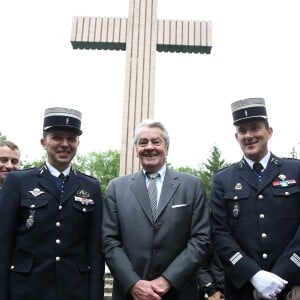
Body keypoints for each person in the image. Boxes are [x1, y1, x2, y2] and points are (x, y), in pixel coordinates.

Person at [0, 107, 104, 300]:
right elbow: (3, 244)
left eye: (71, 138)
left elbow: (95, 250)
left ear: (78, 143)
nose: (64, 144)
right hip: (26, 289)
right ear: (43, 142)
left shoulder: (91, 187)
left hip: (75, 291)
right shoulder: (18, 181)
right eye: (57, 137)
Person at [102, 119, 210, 300]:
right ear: (136, 150)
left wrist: (167, 280)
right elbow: (109, 241)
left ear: (167, 148)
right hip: (130, 293)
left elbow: (201, 239)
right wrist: (133, 283)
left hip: (178, 292)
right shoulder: (116, 188)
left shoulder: (192, 186)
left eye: (156, 142)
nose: (149, 147)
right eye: (142, 142)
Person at [210, 97, 300, 300]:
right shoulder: (223, 180)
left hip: (292, 287)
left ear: (269, 132)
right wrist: (254, 275)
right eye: (242, 131)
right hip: (244, 289)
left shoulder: (295, 170)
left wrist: (281, 274)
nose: (248, 135)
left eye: (255, 128)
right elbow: (219, 233)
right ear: (236, 136)